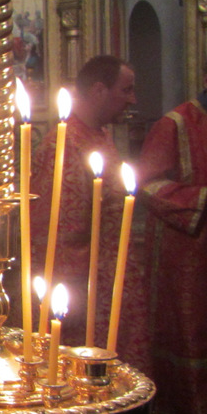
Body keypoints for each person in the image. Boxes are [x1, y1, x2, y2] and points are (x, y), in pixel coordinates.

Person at [30, 55, 135, 347]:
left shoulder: (99, 134)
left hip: (110, 279)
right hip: (85, 292)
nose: (133, 100)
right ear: (99, 90)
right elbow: (59, 233)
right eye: (126, 90)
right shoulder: (65, 144)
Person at [134, 63, 207, 414]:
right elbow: (147, 183)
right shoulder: (175, 124)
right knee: (187, 329)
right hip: (185, 251)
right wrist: (199, 200)